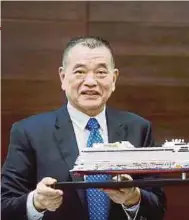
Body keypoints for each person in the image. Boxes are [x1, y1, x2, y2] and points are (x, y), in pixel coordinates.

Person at [1, 36, 166, 220]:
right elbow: (4, 206)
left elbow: (158, 207)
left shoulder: (139, 129)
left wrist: (133, 198)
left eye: (101, 72)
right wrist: (36, 203)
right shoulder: (29, 132)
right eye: (80, 72)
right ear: (63, 77)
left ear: (114, 78)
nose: (90, 82)